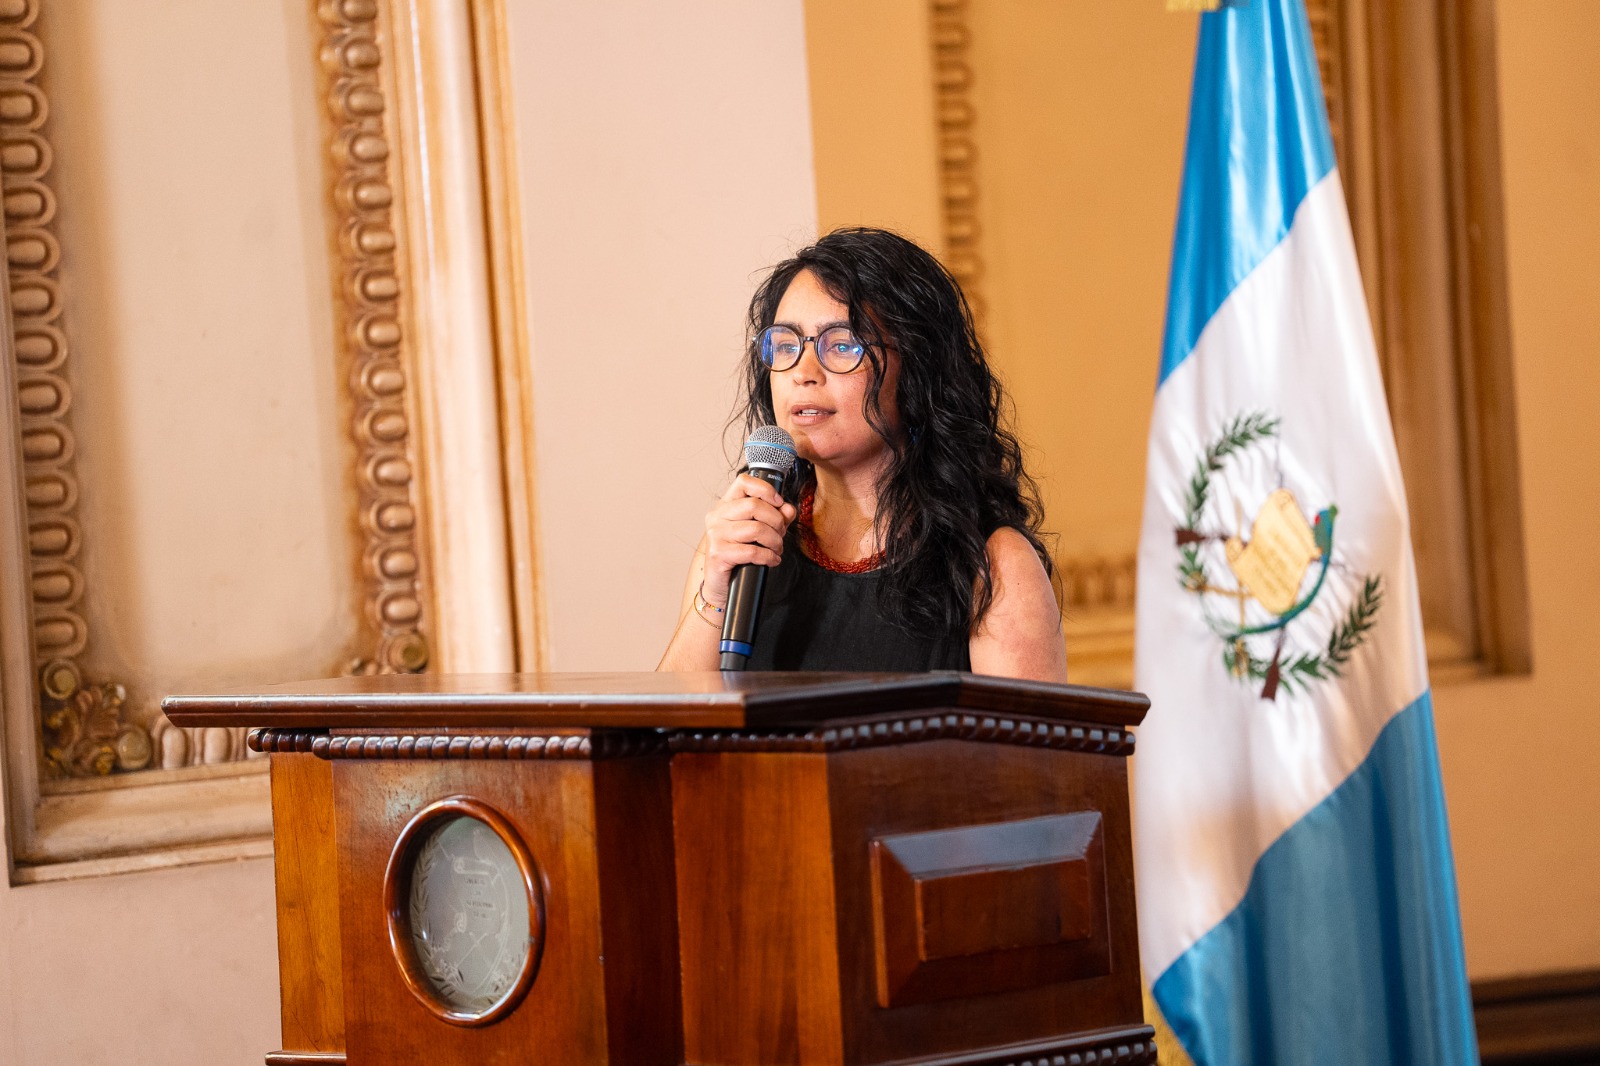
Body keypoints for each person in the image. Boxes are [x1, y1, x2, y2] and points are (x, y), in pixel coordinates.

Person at [657, 228, 1067, 681]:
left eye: (841, 345)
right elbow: (668, 719)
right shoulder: (744, 540)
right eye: (786, 344)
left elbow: (1021, 732)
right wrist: (714, 595)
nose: (803, 372)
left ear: (917, 370)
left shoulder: (992, 565)